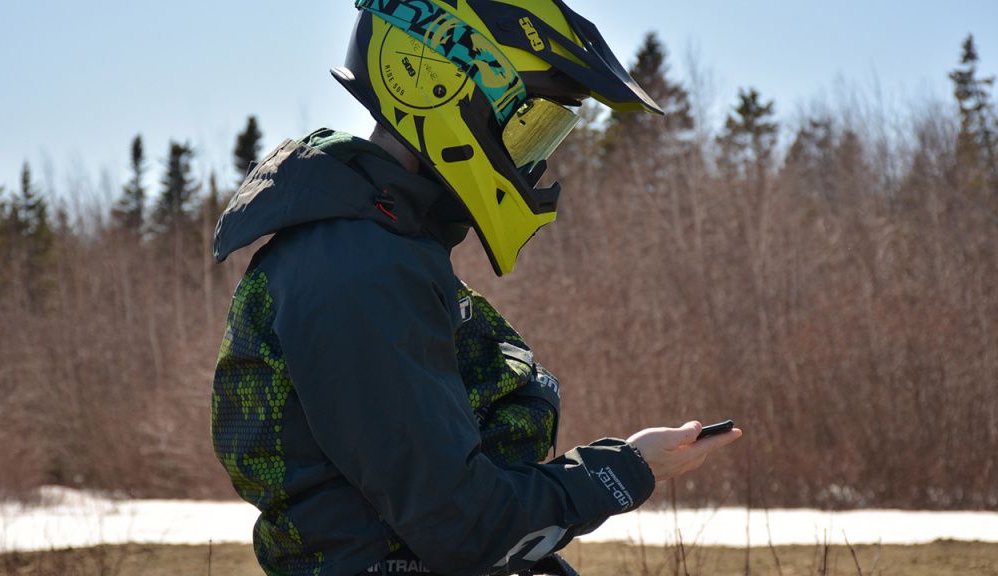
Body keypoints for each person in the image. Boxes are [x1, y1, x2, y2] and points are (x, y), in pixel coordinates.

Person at [210, 1, 742, 575]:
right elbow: (462, 525)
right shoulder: (356, 269)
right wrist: (627, 467)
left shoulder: (381, 248)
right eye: (525, 130)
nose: (531, 162)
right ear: (439, 90)